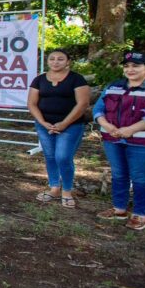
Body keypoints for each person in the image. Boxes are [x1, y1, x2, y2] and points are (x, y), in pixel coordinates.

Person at [93, 51, 145, 231]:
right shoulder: (114, 86)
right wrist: (106, 125)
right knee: (119, 174)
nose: (130, 69)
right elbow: (98, 110)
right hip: (113, 139)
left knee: (139, 176)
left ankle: (139, 214)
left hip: (144, 143)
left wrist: (129, 130)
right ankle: (119, 209)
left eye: (136, 66)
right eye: (127, 66)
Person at [27, 49, 91, 208]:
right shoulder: (39, 80)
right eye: (52, 59)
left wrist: (64, 124)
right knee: (50, 156)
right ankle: (54, 188)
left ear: (68, 61)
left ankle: (67, 190)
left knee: (62, 157)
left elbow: (82, 104)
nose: (56, 62)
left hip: (71, 126)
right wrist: (42, 122)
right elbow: (31, 103)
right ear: (47, 61)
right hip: (45, 125)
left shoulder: (77, 79)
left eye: (60, 59)